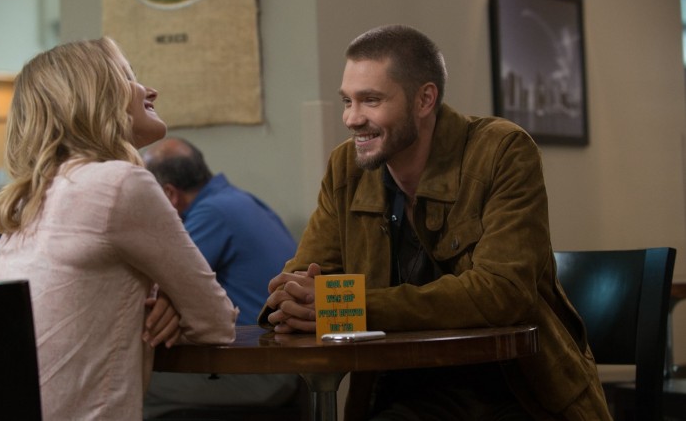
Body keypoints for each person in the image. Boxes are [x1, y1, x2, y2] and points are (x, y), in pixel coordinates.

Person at [260, 25, 612, 420]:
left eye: (371, 100)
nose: (352, 118)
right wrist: (291, 301)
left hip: (513, 394)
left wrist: (349, 305)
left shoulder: (502, 150)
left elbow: (502, 293)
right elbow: (307, 280)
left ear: (425, 99)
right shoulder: (347, 167)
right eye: (347, 101)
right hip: (394, 394)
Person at [0, 37, 238, 420]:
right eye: (128, 76)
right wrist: (174, 300)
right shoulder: (119, 183)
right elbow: (216, 323)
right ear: (94, 95)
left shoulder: (28, 200)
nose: (150, 90)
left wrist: (167, 297)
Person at [141, 137, 300, 417]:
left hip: (260, 372)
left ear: (169, 194)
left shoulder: (210, 214)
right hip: (281, 363)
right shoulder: (238, 200)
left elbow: (159, 286)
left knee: (127, 385)